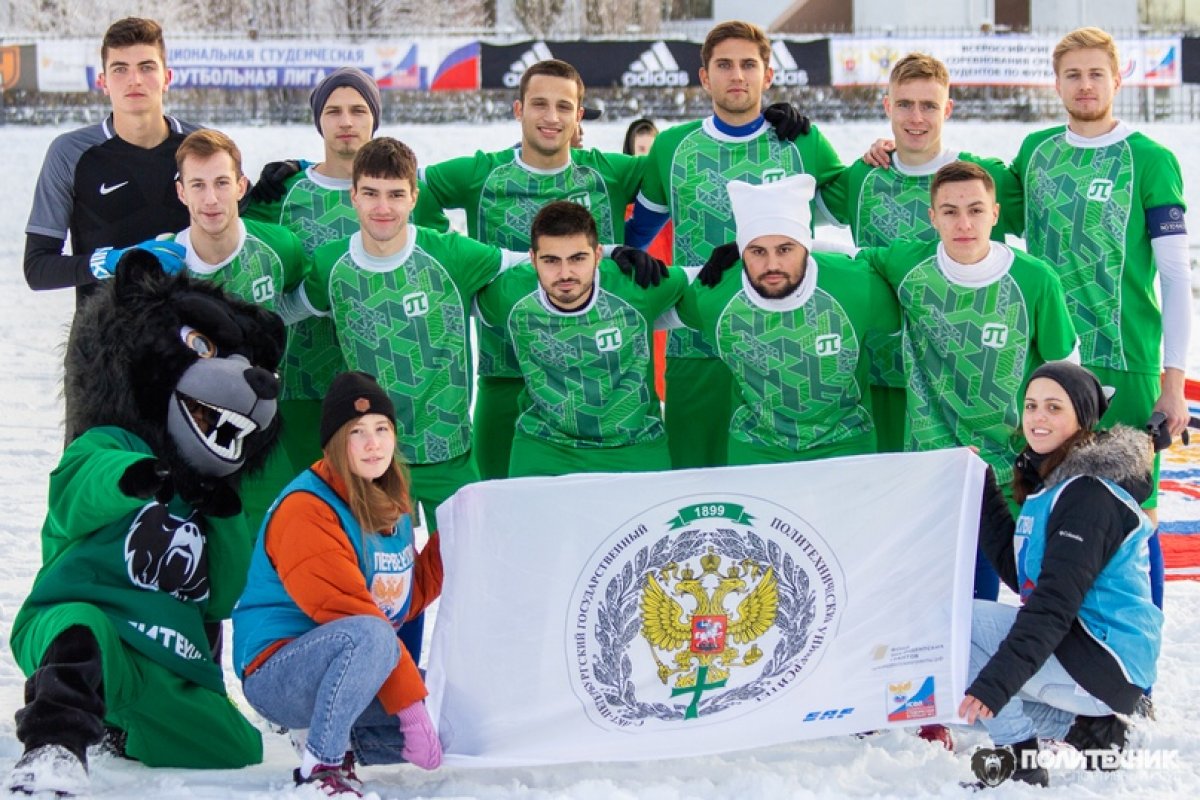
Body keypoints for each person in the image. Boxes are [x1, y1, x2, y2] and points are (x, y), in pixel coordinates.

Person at [242, 67, 448, 663]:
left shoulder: (397, 188)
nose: (347, 121)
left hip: (379, 391)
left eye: (358, 109)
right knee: (315, 527)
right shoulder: (293, 196)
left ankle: (391, 663)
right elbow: (257, 261)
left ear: (374, 118)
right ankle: (313, 657)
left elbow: (432, 260)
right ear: (318, 121)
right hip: (304, 383)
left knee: (384, 533)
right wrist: (253, 199)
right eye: (334, 110)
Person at [1008, 27, 1191, 609]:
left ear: (1118, 78)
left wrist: (1173, 382)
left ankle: (1138, 675)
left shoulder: (1151, 160)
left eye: (1095, 74)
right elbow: (963, 201)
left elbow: (1176, 276)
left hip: (1128, 361)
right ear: (1055, 81)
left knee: (1136, 519)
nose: (1084, 85)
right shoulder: (1035, 153)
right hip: (1052, 366)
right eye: (1072, 74)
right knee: (1052, 517)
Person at [419, 59, 649, 482]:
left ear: (579, 116)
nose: (551, 117)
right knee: (499, 517)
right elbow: (402, 189)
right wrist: (458, 266)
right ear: (518, 109)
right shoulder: (482, 175)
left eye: (564, 107)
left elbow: (677, 172)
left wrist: (635, 241)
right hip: (506, 374)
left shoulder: (608, 173)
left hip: (598, 385)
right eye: (539, 104)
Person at [626, 19, 842, 469]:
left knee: (778, 496)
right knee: (695, 487)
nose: (737, 75)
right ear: (705, 77)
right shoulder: (671, 148)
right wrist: (623, 254)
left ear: (768, 75)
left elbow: (857, 201)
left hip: (786, 348)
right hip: (697, 346)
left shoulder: (801, 142)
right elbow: (633, 235)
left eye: (749, 64)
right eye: (724, 65)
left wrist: (886, 150)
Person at [284, 137, 525, 536]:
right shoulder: (331, 264)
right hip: (371, 458)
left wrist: (612, 255)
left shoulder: (450, 254)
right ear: (354, 196)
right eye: (371, 194)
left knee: (468, 572)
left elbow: (532, 261)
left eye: (396, 194)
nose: (383, 207)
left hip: (448, 453)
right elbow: (287, 308)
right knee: (382, 583)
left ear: (414, 196)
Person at [233, 371, 443, 797]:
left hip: (354, 663)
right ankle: (322, 764)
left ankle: (337, 733)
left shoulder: (387, 499)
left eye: (382, 429)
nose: (373, 444)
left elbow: (397, 600)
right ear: (335, 444)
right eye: (357, 433)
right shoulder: (306, 509)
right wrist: (409, 710)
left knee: (450, 703)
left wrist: (453, 543)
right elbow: (355, 615)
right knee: (371, 637)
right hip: (278, 674)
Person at [961, 360, 1160, 787]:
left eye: (1054, 408)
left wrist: (994, 686)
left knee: (955, 629)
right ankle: (1087, 732)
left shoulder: (1087, 494)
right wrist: (980, 489)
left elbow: (1053, 604)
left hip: (1104, 659)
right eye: (1031, 405)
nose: (1037, 417)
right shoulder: (1055, 485)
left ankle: (1019, 759)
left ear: (1082, 420)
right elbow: (1026, 580)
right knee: (961, 667)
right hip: (1087, 651)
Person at [819, 53, 1023, 453]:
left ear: (947, 108)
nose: (916, 117)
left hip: (960, 376)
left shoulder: (983, 177)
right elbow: (792, 215)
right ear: (887, 106)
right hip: (878, 372)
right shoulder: (862, 176)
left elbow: (1048, 228)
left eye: (929, 105)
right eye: (905, 104)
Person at [670, 174, 899, 465]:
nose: (772, 265)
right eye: (757, 251)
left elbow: (920, 309)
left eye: (785, 249)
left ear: (807, 246)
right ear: (740, 252)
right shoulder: (712, 294)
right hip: (756, 448)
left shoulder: (856, 284)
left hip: (846, 445)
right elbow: (649, 310)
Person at [475, 201, 686, 477]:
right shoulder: (509, 294)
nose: (565, 274)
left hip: (635, 446)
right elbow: (451, 294)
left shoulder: (637, 284)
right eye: (551, 260)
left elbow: (708, 282)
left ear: (598, 255)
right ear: (532, 258)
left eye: (578, 258)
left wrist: (738, 252)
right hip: (544, 446)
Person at [171, 128, 310, 530]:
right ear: (182, 192)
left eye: (221, 183)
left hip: (263, 430)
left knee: (281, 540)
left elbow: (305, 296)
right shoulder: (166, 263)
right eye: (198, 185)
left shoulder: (279, 247)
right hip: (191, 437)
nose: (211, 199)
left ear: (241, 186)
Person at [24, 17, 194, 310]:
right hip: (103, 345)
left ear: (167, 77)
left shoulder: (202, 146)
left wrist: (281, 178)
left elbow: (245, 229)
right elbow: (38, 269)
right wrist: (111, 262)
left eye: (146, 67)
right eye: (120, 69)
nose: (135, 80)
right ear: (102, 82)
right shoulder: (69, 153)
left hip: (191, 340)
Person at [622, 117, 671, 401]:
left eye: (652, 150)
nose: (647, 157)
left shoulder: (670, 198)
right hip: (632, 294)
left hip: (664, 286)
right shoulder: (622, 202)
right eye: (641, 149)